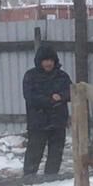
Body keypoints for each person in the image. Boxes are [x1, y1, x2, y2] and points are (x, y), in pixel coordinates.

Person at [22, 45, 72, 178]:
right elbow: (30, 96)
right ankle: (29, 177)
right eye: (45, 60)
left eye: (51, 60)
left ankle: (51, 178)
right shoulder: (31, 76)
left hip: (58, 121)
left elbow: (72, 92)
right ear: (39, 61)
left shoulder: (62, 76)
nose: (48, 63)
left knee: (56, 152)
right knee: (34, 151)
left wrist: (61, 96)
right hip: (38, 122)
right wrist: (50, 100)